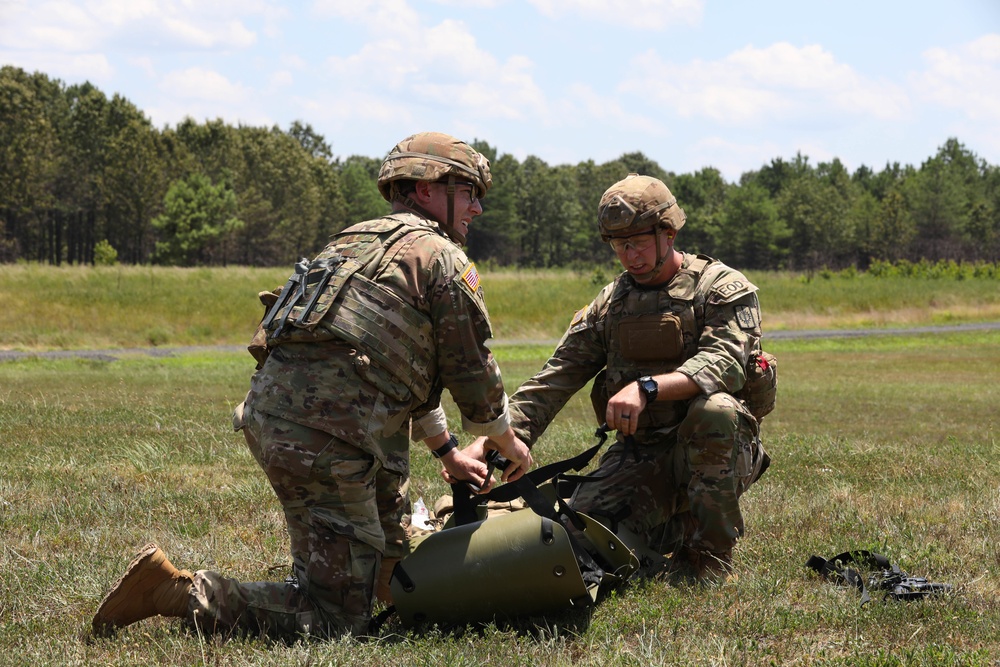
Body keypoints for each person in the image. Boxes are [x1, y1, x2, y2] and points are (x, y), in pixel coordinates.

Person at [92, 131, 533, 640]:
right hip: (330, 438)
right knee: (337, 616)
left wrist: (448, 452)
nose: (477, 208)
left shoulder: (353, 241)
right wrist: (504, 437)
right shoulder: (440, 258)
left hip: (302, 421)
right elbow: (471, 369)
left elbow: (390, 356)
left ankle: (380, 574)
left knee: (394, 567)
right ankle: (178, 592)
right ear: (429, 187)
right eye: (470, 191)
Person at [460, 173, 770, 584]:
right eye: (618, 245)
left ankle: (708, 558)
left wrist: (647, 388)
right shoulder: (611, 305)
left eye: (638, 242)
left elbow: (724, 360)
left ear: (669, 232)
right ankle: (675, 521)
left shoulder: (720, 289)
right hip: (640, 455)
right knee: (578, 536)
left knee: (716, 411)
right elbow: (555, 379)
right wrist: (494, 440)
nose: (629, 256)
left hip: (718, 451)